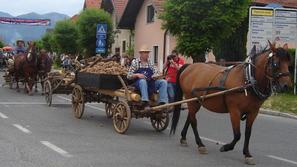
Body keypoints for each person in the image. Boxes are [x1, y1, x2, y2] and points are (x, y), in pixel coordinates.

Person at [127, 45, 168, 109]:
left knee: (163, 82)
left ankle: (162, 102)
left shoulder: (150, 62)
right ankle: (145, 102)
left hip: (150, 83)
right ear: (141, 53)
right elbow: (129, 76)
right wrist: (137, 75)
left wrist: (155, 75)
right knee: (143, 81)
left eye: (148, 52)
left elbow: (156, 72)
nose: (147, 54)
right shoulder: (135, 62)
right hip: (139, 84)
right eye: (145, 52)